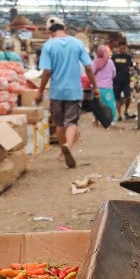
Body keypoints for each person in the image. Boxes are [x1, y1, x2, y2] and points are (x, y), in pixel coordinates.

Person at [34, 16, 99, 169]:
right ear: (65, 28)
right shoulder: (77, 43)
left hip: (56, 91)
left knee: (59, 122)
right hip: (74, 90)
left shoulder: (48, 46)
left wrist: (40, 91)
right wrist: (95, 87)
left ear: (50, 31)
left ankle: (63, 152)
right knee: (71, 121)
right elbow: (89, 67)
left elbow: (47, 71)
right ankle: (68, 146)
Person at [92, 44, 117, 123]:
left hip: (97, 87)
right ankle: (111, 120)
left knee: (97, 105)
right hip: (108, 87)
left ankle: (96, 121)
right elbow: (114, 74)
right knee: (109, 104)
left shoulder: (95, 62)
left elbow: (91, 73)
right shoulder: (110, 62)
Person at [111, 41, 136, 120]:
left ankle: (125, 111)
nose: (123, 50)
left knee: (128, 97)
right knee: (117, 98)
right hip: (116, 80)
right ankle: (119, 115)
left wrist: (131, 69)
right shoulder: (114, 56)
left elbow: (131, 66)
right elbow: (111, 67)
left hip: (126, 80)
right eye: (122, 48)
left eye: (124, 48)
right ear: (119, 47)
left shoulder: (128, 56)